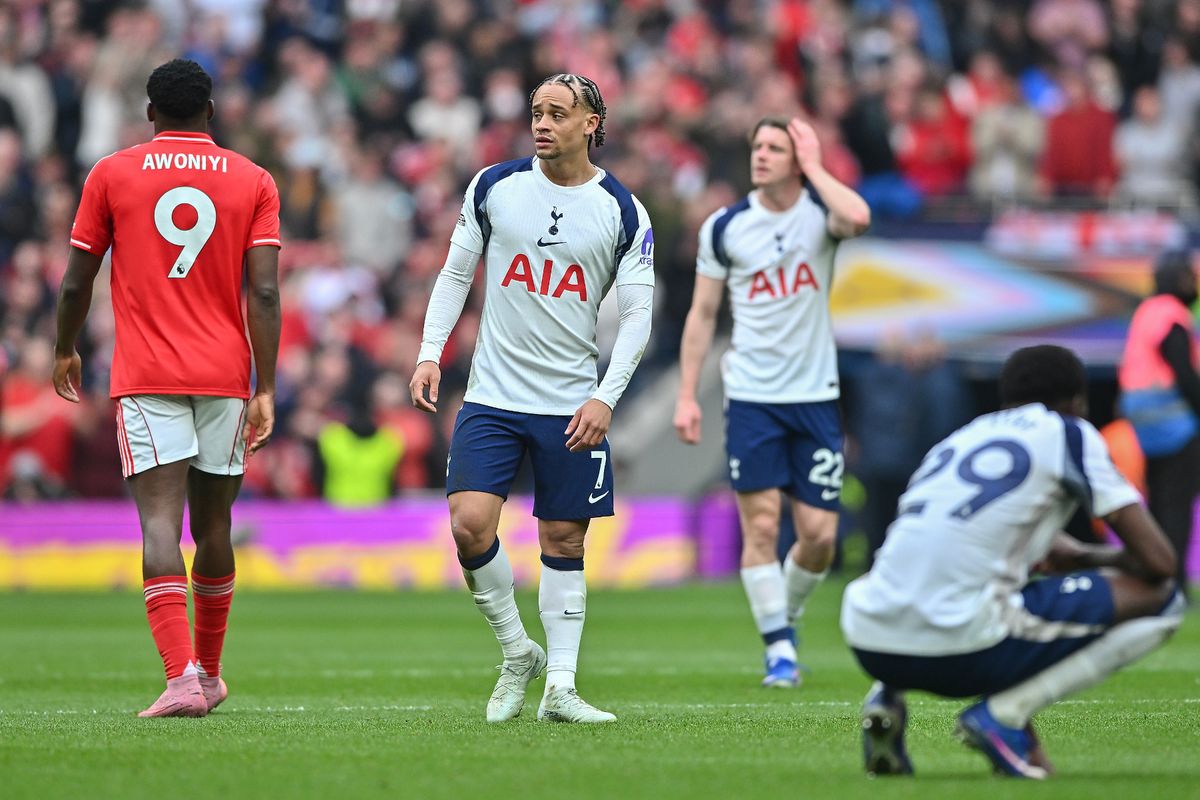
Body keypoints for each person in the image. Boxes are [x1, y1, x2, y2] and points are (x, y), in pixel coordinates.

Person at [409, 73, 654, 724]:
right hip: (492, 395)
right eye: (536, 111)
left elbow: (637, 315)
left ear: (591, 125)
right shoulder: (494, 187)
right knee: (468, 524)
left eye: (557, 113)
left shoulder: (622, 211)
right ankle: (518, 652)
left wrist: (606, 397)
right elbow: (457, 271)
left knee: (564, 538)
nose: (541, 123)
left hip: (571, 400)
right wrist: (431, 352)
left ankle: (561, 688)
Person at [52, 59, 281, 717]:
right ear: (210, 111)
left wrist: (65, 347)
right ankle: (208, 673)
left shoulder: (111, 173)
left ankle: (180, 678)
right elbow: (263, 290)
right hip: (226, 375)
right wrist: (265, 386)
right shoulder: (253, 179)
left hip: (147, 373)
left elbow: (75, 281)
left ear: (150, 113)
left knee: (159, 523)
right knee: (215, 525)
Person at [841, 345, 1182, 779]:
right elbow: (1159, 561)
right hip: (960, 642)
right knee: (1163, 599)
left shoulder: (963, 436)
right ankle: (1004, 716)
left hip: (871, 638)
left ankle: (885, 698)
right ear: (1077, 402)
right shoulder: (1068, 432)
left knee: (993, 592)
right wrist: (1086, 556)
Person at [673, 116, 871, 687]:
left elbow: (858, 217)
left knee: (819, 537)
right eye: (756, 145)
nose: (760, 155)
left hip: (814, 396)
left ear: (796, 157)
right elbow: (703, 315)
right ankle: (779, 648)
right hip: (753, 397)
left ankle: (783, 616)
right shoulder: (726, 227)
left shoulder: (820, 216)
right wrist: (688, 395)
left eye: (774, 148)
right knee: (761, 527)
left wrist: (815, 167)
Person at [1119, 250, 1200, 597]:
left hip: (1143, 420)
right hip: (1173, 418)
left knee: (1159, 498)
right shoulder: (1171, 313)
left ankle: (1156, 575)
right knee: (1177, 501)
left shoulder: (1146, 311)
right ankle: (1175, 581)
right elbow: (1182, 369)